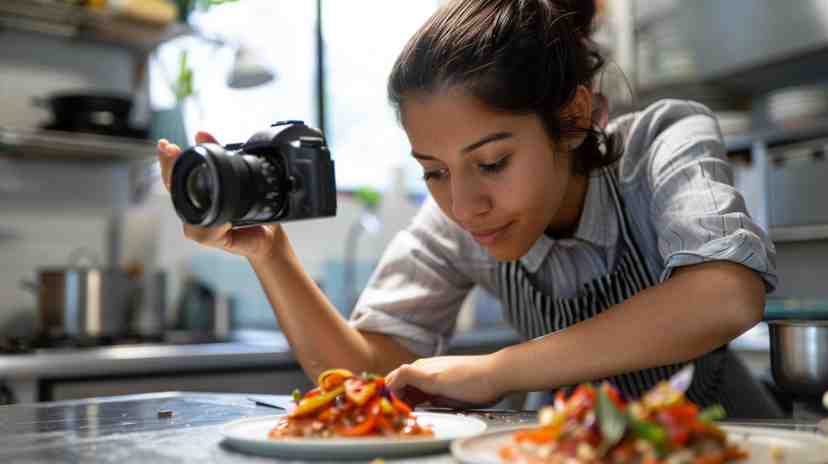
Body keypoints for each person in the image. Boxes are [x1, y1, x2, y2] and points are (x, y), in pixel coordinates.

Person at [156, 0, 778, 415]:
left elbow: (725, 294)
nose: (465, 205)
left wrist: (500, 369)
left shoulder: (662, 142)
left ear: (573, 116)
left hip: (729, 438)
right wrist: (270, 252)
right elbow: (363, 375)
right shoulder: (457, 217)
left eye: (493, 162)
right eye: (433, 171)